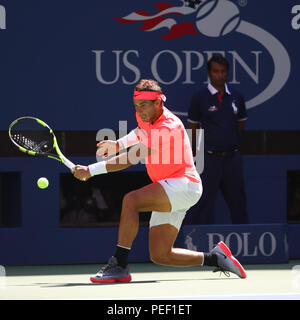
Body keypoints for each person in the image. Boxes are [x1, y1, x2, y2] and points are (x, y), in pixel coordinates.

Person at [73, 79, 247, 282]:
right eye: (136, 106)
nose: (140, 111)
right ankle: (217, 259)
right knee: (161, 255)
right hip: (170, 188)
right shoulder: (145, 115)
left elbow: (131, 158)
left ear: (158, 102)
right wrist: (118, 144)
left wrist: (90, 170)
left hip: (184, 185)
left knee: (131, 200)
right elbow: (140, 131)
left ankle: (119, 264)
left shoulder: (168, 127)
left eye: (144, 105)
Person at [185, 55, 248, 224]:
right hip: (209, 158)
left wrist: (228, 142)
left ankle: (242, 243)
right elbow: (193, 128)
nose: (220, 75)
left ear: (227, 73)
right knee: (202, 203)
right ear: (209, 73)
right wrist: (196, 154)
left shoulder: (237, 97)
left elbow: (240, 125)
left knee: (238, 203)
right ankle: (196, 245)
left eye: (223, 71)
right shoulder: (199, 97)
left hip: (232, 158)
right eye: (216, 71)